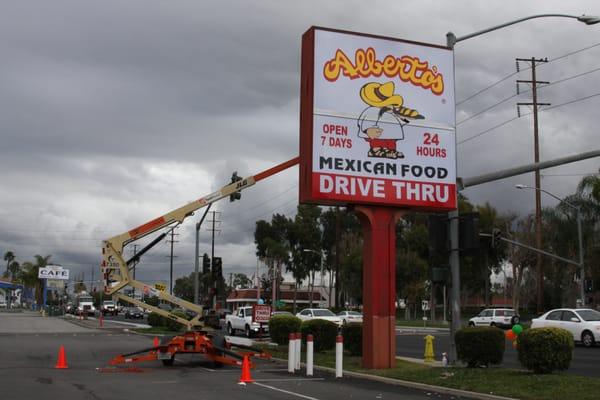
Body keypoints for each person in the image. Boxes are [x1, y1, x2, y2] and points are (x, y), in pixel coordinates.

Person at [356, 81, 424, 159]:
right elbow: (365, 120)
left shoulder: (392, 112)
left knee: (391, 141)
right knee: (378, 140)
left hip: (391, 135)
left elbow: (402, 121)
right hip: (377, 134)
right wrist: (367, 130)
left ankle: (391, 150)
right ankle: (375, 150)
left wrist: (407, 119)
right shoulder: (372, 110)